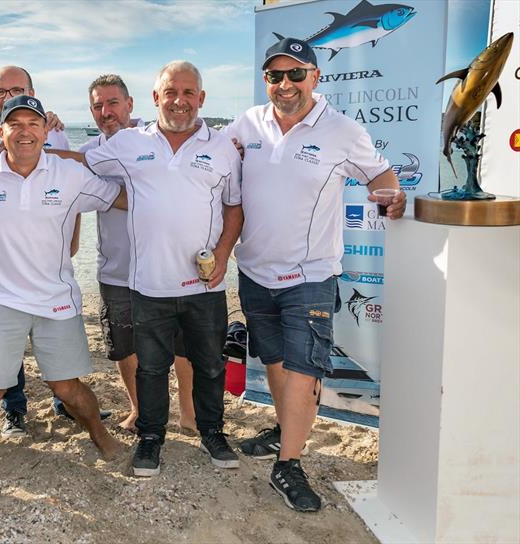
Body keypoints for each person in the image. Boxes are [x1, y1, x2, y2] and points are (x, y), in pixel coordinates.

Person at [224, 37, 406, 512]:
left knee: (304, 371)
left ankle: (289, 465)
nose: (284, 85)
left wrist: (394, 197)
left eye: (295, 74)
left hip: (310, 275)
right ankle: (285, 428)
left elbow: (381, 177)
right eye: (274, 76)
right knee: (279, 366)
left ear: (315, 77)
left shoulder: (342, 130)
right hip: (255, 271)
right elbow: (208, 156)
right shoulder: (249, 122)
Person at [55, 61, 243, 476]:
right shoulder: (128, 144)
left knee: (210, 363)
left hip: (205, 282)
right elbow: (80, 164)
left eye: (189, 93)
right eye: (171, 93)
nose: (179, 101)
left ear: (202, 99)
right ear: (156, 98)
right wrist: (28, 148)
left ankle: (212, 432)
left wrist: (226, 254)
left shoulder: (223, 147)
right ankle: (151, 437)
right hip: (147, 284)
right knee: (153, 367)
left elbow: (234, 205)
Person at [0, 94, 125, 466]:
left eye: (33, 124)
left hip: (57, 300)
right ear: (1, 131)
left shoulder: (68, 174)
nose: (25, 132)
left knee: (67, 387)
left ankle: (100, 435)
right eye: (15, 124)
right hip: (1, 299)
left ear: (45, 130)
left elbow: (119, 198)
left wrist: (180, 193)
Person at [0, 65, 80, 438]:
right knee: (4, 327)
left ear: (33, 90)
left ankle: (65, 402)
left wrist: (71, 241)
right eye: (0, 91)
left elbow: (70, 188)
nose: (8, 96)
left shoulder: (53, 129)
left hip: (43, 241)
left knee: (52, 315)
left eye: (17, 89)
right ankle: (15, 409)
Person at [78, 73, 196, 432]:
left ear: (131, 104)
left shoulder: (157, 139)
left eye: (113, 102)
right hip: (116, 268)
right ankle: (140, 409)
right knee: (124, 346)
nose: (106, 111)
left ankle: (189, 414)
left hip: (171, 265)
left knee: (181, 346)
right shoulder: (87, 153)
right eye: (98, 105)